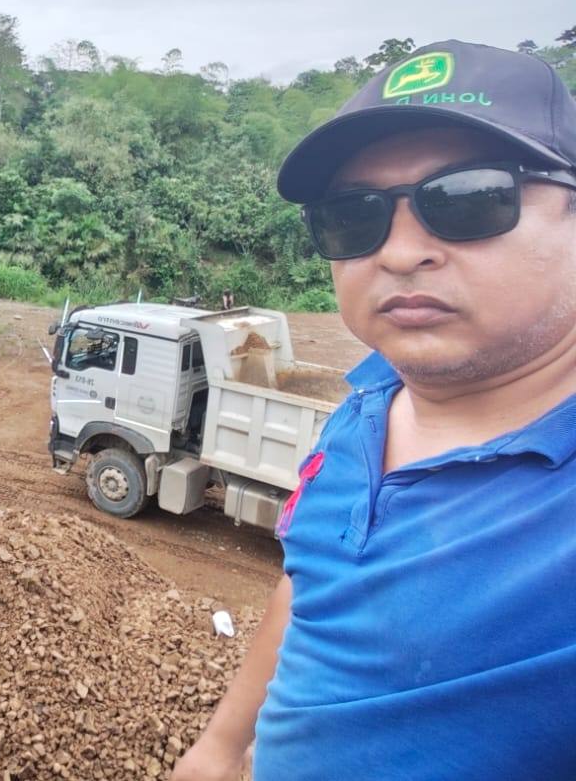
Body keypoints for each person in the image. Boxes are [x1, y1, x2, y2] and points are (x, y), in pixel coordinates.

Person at [173, 40, 576, 781]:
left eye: (468, 198)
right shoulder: (362, 410)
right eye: (354, 216)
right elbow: (311, 585)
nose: (398, 252)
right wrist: (220, 748)